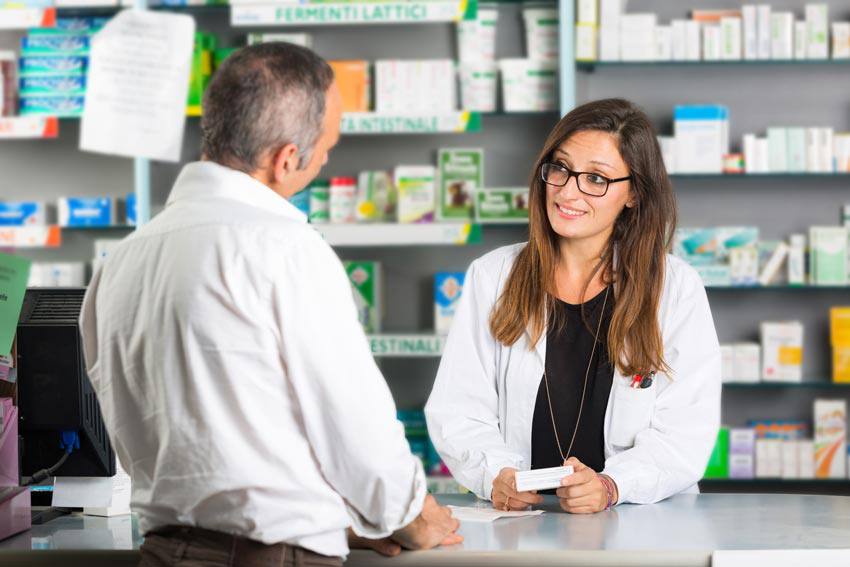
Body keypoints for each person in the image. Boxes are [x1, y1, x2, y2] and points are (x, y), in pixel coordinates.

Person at [79, 43, 461, 567]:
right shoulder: (286, 249)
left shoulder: (120, 261)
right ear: (284, 159)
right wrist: (412, 518)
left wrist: (326, 516)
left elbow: (146, 434)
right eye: (327, 145)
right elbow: (354, 426)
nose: (326, 158)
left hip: (163, 552)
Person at [425, 98, 721, 515]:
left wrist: (611, 486)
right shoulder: (493, 277)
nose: (568, 191)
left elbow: (684, 434)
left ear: (634, 193)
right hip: (519, 522)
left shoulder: (674, 289)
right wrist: (496, 475)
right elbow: (458, 411)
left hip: (636, 523)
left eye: (596, 178)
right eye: (561, 168)